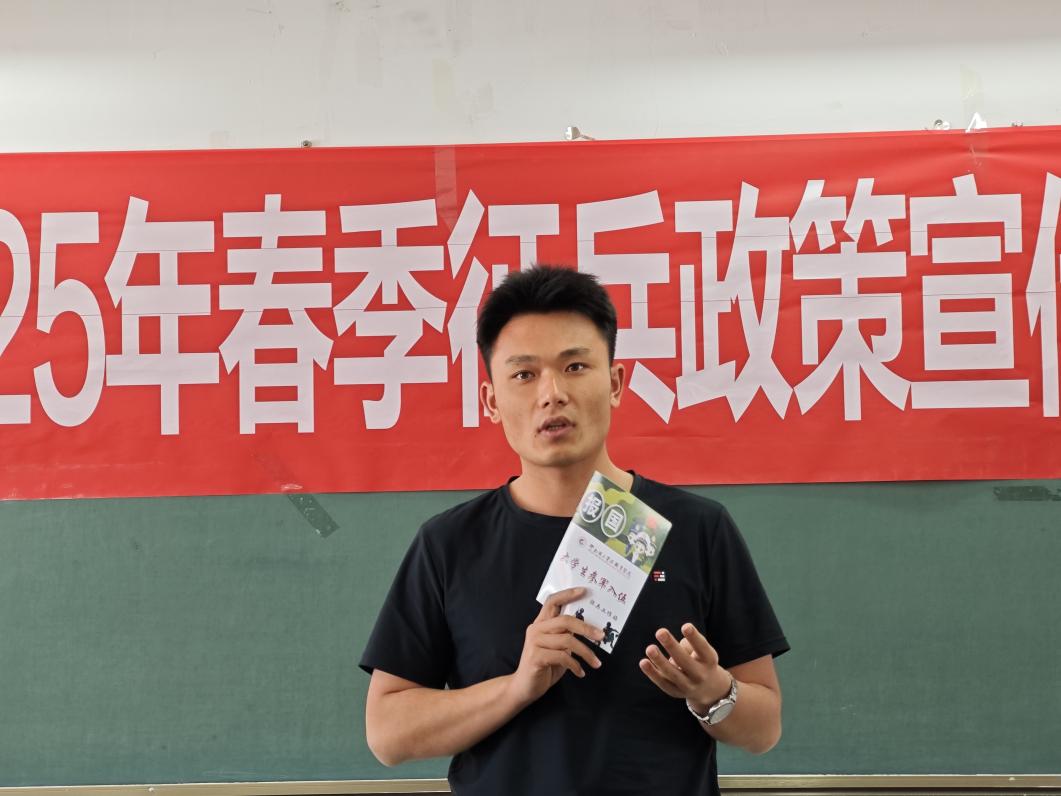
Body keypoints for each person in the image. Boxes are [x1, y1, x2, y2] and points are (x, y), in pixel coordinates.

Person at [360, 265, 789, 795]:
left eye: (575, 366)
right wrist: (517, 687)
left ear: (615, 383)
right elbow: (387, 733)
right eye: (524, 375)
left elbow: (765, 728)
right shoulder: (449, 544)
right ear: (491, 400)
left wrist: (712, 692)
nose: (552, 393)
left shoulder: (698, 529)